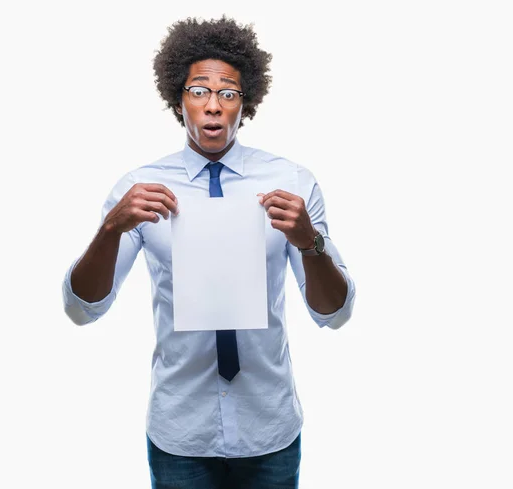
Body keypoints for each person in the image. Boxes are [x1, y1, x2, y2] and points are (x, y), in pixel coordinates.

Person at [62, 16, 356, 489]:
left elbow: (335, 314)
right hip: (181, 433)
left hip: (270, 430)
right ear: (178, 100)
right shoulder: (137, 188)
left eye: (228, 93)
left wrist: (310, 241)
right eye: (199, 91)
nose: (213, 106)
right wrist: (111, 229)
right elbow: (81, 309)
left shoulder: (293, 183)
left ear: (247, 103)